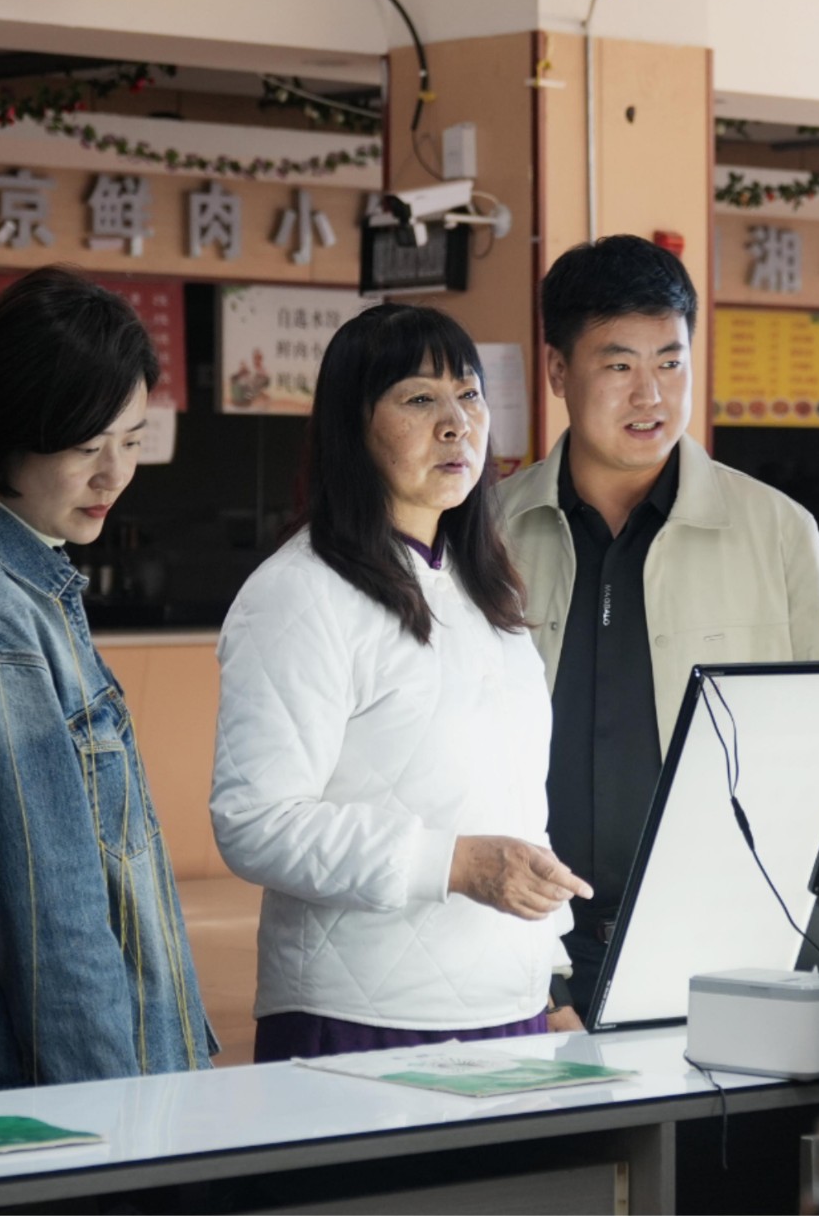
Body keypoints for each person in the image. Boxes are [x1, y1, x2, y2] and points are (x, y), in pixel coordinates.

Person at [211, 303, 590, 1061]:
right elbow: (255, 821)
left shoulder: (490, 594)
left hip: (509, 1007)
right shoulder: (298, 592)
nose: (457, 423)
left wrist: (551, 978)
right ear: (354, 426)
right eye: (420, 399)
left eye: (470, 394)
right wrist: (453, 863)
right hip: (361, 1015)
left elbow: (516, 804)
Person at [496, 236, 819, 1025]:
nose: (650, 394)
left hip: (726, 944)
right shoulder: (485, 536)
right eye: (619, 365)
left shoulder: (779, 531)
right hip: (526, 948)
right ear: (558, 371)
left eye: (671, 361)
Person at [0, 267, 215, 1087]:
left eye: (133, 441)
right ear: (8, 432)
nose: (115, 475)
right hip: (83, 1101)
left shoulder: (15, 575)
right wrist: (119, 1126)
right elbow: (52, 916)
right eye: (86, 447)